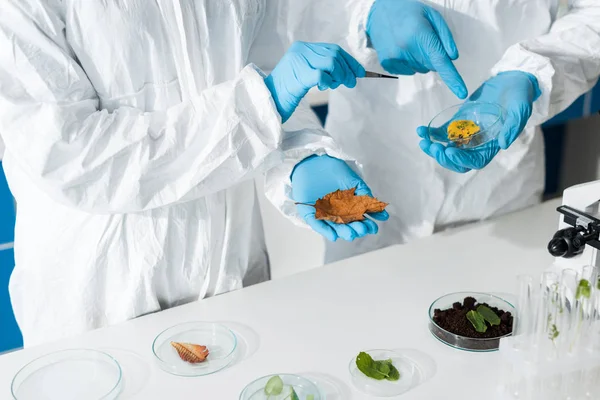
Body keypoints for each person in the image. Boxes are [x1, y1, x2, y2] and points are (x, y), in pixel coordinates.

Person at [0, 1, 387, 346]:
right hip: (103, 304)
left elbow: (272, 77)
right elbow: (76, 156)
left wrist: (304, 157)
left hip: (232, 280)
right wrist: (261, 105)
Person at [317, 0, 600, 262]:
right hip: (371, 173)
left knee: (491, 306)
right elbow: (288, 16)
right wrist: (366, 13)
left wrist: (530, 71)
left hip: (497, 186)